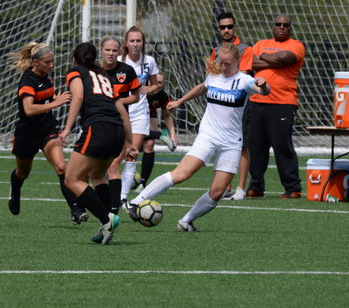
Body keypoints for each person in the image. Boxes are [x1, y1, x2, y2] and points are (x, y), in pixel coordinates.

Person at [125, 43, 270, 232]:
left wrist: (263, 85)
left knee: (217, 192)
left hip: (231, 143)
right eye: (221, 63)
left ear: (238, 62)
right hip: (208, 136)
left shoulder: (245, 81)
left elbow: (264, 91)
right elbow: (202, 88)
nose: (223, 67)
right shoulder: (214, 76)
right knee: (182, 174)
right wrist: (180, 101)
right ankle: (135, 202)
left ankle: (186, 221)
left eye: (227, 64)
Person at [60, 42, 138, 245]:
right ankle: (109, 218)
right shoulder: (105, 77)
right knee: (96, 175)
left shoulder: (75, 72)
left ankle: (106, 220)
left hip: (98, 128)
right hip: (117, 131)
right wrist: (129, 143)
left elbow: (78, 97)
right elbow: (123, 113)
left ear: (75, 59)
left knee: (71, 180)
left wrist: (67, 129)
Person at [8, 41, 88, 224]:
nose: (51, 65)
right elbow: (29, 109)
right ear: (35, 62)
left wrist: (53, 99)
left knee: (61, 167)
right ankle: (15, 190)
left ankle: (76, 210)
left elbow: (43, 98)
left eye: (52, 61)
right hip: (27, 133)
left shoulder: (47, 75)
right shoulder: (28, 80)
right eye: (47, 62)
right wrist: (55, 103)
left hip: (47, 129)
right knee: (23, 173)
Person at [244, 14, 305, 199]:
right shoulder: (260, 43)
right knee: (255, 146)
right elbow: (249, 63)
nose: (281, 27)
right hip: (257, 101)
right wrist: (273, 60)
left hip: (283, 103)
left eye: (285, 25)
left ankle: (293, 188)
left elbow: (283, 59)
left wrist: (263, 58)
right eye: (278, 24)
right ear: (273, 26)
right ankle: (256, 186)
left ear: (290, 28)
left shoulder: (296, 45)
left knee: (282, 145)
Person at [114, 26, 161, 207]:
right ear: (126, 43)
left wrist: (150, 88)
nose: (135, 44)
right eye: (132, 41)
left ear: (143, 43)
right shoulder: (118, 61)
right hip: (119, 113)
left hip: (140, 114)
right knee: (115, 157)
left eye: (138, 41)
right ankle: (108, 187)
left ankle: (122, 197)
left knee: (132, 154)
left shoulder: (149, 61)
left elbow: (156, 84)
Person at [211, 12, 253, 201]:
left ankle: (240, 188)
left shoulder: (245, 49)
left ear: (235, 28)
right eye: (223, 27)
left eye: (229, 26)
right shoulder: (215, 50)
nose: (226, 30)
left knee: (242, 146)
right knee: (220, 144)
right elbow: (211, 74)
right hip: (219, 104)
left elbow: (242, 75)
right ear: (218, 29)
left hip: (238, 105)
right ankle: (225, 187)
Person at [98, 36, 141, 214]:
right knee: (95, 170)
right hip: (98, 124)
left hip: (119, 123)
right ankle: (86, 205)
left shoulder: (126, 70)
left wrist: (116, 102)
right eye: (107, 50)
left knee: (114, 165)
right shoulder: (95, 71)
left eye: (114, 50)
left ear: (120, 51)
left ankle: (113, 210)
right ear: (101, 50)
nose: (111, 53)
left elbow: (136, 97)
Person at [136, 73, 178, 192]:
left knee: (149, 144)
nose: (158, 85)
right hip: (132, 116)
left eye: (160, 82)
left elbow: (167, 116)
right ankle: (160, 135)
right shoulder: (139, 91)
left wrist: (173, 136)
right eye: (156, 82)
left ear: (164, 84)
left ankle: (142, 183)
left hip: (149, 115)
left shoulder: (162, 96)